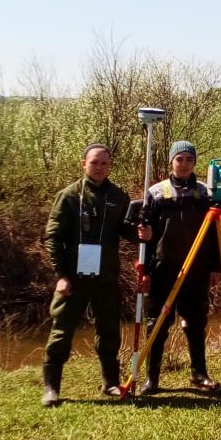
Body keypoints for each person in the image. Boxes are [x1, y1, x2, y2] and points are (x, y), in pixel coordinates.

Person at [41, 143, 139, 407]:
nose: (99, 168)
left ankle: (110, 383)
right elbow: (53, 237)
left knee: (109, 331)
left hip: (105, 278)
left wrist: (141, 234)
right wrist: (61, 275)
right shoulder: (69, 196)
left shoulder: (119, 197)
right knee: (62, 330)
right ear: (83, 164)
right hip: (73, 278)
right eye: (94, 162)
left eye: (104, 163)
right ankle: (52, 388)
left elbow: (127, 232)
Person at [135, 140, 221, 395]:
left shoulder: (207, 192)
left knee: (196, 322)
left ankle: (199, 373)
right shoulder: (156, 192)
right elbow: (145, 235)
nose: (184, 164)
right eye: (179, 159)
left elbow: (215, 234)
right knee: (157, 324)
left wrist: (215, 267)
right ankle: (152, 378)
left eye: (189, 160)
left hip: (197, 270)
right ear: (171, 162)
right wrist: (145, 269)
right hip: (164, 269)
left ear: (195, 163)